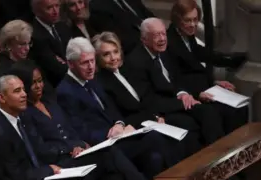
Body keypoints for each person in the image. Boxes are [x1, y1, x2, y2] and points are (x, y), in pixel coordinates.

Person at [9, 59, 149, 180]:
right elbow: (41, 149)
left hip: (77, 152)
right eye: (33, 83)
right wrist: (69, 149)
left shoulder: (49, 101)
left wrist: (80, 143)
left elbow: (69, 128)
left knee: (113, 174)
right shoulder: (25, 114)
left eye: (40, 81)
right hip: (60, 162)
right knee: (109, 155)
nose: (39, 86)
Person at [56, 37, 175, 179]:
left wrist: (120, 123)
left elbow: (111, 108)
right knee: (154, 137)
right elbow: (80, 129)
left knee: (154, 153)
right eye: (84, 63)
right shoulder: (65, 91)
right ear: (70, 64)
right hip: (104, 146)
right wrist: (110, 133)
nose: (91, 67)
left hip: (118, 137)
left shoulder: (91, 79)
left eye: (92, 61)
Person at [93, 31, 201, 158]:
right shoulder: (101, 82)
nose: (113, 58)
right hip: (137, 126)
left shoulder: (129, 68)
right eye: (106, 54)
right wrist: (153, 118)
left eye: (115, 52)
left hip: (155, 114)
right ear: (97, 57)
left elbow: (149, 97)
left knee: (190, 125)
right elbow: (121, 115)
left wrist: (157, 116)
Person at [122, 17, 225, 147]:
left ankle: (221, 155)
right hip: (161, 111)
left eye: (163, 33)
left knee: (209, 112)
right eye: (156, 35)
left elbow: (178, 78)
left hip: (177, 101)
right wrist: (181, 102)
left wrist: (183, 93)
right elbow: (150, 100)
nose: (162, 39)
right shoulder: (135, 62)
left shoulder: (165, 51)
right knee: (191, 124)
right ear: (144, 39)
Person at [166, 0, 248, 135]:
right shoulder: (171, 42)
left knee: (239, 107)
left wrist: (215, 83)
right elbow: (176, 78)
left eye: (195, 20)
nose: (193, 25)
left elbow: (201, 58)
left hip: (204, 88)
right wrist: (199, 93)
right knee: (213, 114)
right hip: (189, 94)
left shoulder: (188, 35)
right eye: (188, 20)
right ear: (178, 20)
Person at [30, 0, 71, 86]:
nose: (55, 11)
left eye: (57, 6)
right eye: (49, 8)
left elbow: (75, 52)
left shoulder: (62, 26)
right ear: (37, 11)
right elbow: (56, 68)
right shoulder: (35, 35)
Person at [89, 0, 153, 54]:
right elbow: (118, 38)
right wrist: (148, 41)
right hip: (135, 50)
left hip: (151, 39)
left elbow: (149, 16)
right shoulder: (97, 6)